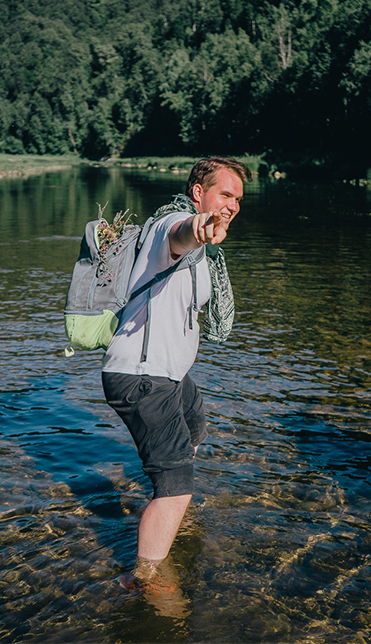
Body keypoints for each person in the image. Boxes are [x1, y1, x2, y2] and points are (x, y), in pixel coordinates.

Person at [101, 157, 251, 581]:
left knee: (195, 423)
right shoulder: (172, 225)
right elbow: (180, 235)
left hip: (169, 375)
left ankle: (168, 504)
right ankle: (146, 579)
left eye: (239, 199)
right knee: (176, 481)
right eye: (226, 194)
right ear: (198, 193)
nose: (234, 205)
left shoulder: (203, 255)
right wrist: (198, 228)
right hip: (143, 377)